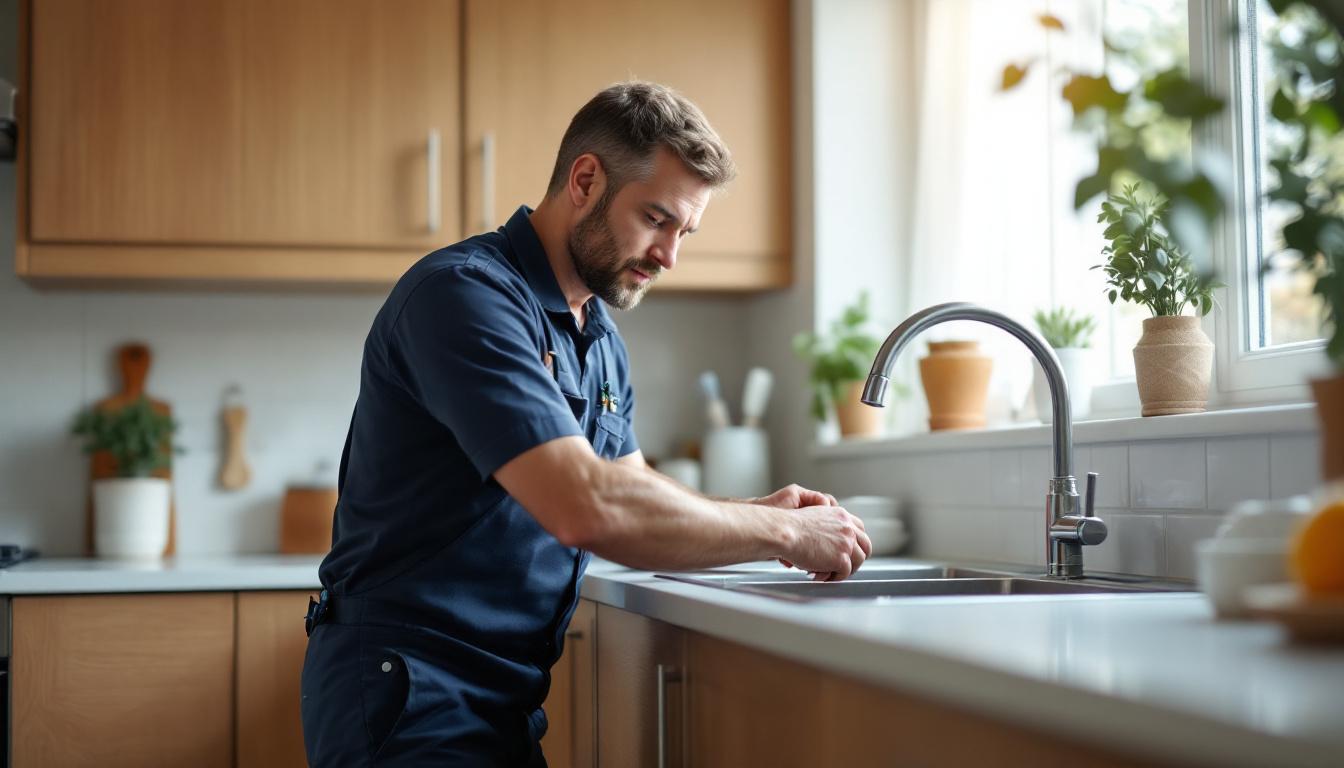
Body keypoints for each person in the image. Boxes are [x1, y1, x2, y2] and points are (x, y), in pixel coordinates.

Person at [300, 81, 871, 767]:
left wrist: (753, 510)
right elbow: (586, 507)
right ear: (586, 179)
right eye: (656, 219)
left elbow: (629, 489)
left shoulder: (596, 337)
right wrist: (786, 532)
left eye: (684, 232)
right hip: (409, 687)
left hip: (500, 697)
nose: (669, 257)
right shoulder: (464, 296)